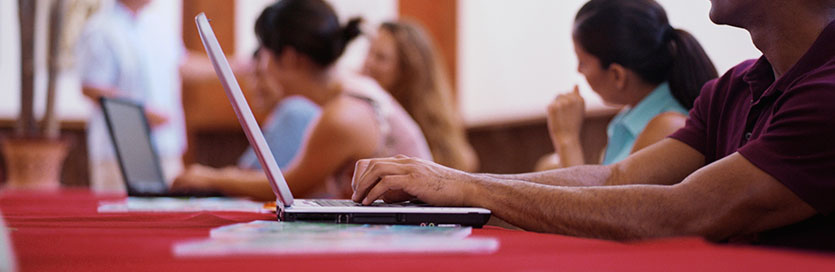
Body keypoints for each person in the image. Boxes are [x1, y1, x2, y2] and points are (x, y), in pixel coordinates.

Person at [351, 0, 835, 251]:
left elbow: (685, 211)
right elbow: (616, 177)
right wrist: (449, 191)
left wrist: (463, 190)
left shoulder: (826, 92)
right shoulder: (733, 87)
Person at [172, 0, 432, 200]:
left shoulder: (343, 115)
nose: (259, 64)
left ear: (290, 57)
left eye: (264, 53)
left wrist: (213, 178)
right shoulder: (352, 94)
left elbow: (287, 187)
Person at [537, 0, 718, 170]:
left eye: (583, 62)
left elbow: (600, 204)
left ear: (617, 75)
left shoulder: (667, 128)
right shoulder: (631, 121)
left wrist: (566, 139)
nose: (578, 70)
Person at [77, 0, 187, 191]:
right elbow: (92, 86)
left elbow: (182, 64)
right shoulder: (100, 28)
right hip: (120, 154)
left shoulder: (158, 26)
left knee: (171, 216)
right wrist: (142, 112)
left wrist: (231, 67)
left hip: (165, 147)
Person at [362, 21, 479, 172]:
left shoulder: (456, 152)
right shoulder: (365, 113)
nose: (368, 63)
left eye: (380, 57)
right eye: (369, 52)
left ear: (408, 71)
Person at [237, 48, 321, 170]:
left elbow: (251, 175)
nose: (254, 85)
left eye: (262, 75)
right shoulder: (281, 115)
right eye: (252, 76)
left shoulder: (295, 112)